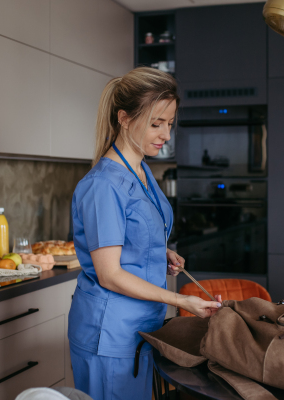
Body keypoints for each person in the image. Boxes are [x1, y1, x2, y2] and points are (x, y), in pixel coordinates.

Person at [68, 67, 223, 400]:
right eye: (156, 124)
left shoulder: (141, 170)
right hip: (109, 332)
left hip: (141, 326)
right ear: (124, 118)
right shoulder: (103, 185)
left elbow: (136, 233)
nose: (166, 134)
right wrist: (181, 300)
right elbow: (109, 275)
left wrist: (156, 251)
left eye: (169, 123)